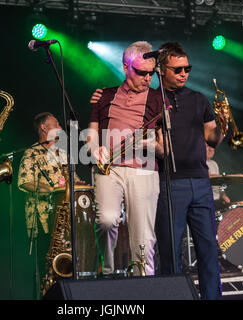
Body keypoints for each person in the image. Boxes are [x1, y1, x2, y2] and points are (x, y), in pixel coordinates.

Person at [154, 42, 226, 299]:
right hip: (169, 183)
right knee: (171, 250)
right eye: (178, 69)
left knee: (208, 247)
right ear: (162, 70)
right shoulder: (153, 100)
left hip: (200, 181)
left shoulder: (199, 99)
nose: (184, 73)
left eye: (187, 68)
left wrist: (223, 127)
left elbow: (212, 138)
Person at [87, 41, 166, 276]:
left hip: (144, 169)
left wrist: (153, 145)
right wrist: (94, 150)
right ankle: (108, 271)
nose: (147, 78)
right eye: (141, 72)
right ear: (125, 67)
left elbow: (165, 149)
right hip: (109, 168)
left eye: (151, 73)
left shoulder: (157, 99)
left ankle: (143, 284)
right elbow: (91, 135)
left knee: (143, 237)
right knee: (106, 221)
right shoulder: (104, 95)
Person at [18, 112, 83, 296]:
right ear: (44, 128)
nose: (61, 128)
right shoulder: (31, 153)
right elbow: (24, 182)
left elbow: (75, 182)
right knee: (46, 269)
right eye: (57, 124)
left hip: (66, 221)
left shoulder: (63, 154)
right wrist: (54, 189)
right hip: (43, 220)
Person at [206, 143, 230, 211]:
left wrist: (223, 195)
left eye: (212, 147)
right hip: (206, 202)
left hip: (217, 201)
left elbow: (219, 186)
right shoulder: (199, 163)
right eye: (207, 146)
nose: (211, 149)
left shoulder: (214, 164)